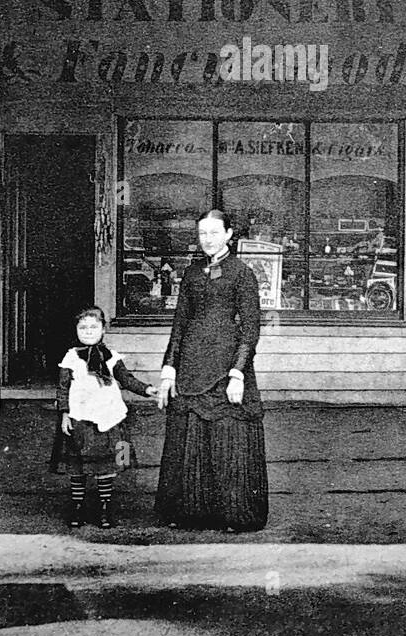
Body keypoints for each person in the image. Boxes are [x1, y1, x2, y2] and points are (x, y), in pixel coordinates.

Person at [154, 208, 269, 532]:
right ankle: (189, 512)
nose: (207, 239)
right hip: (191, 364)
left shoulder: (242, 273)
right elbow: (179, 325)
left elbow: (250, 329)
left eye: (214, 233)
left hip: (225, 365)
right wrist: (168, 370)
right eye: (203, 233)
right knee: (190, 437)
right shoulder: (191, 274)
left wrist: (238, 373)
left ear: (229, 234)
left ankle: (233, 515)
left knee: (227, 437)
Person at [50, 304, 156, 528]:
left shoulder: (111, 357)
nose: (88, 331)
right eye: (83, 327)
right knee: (78, 466)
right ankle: (77, 507)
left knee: (108, 466)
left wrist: (147, 389)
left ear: (103, 330)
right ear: (76, 330)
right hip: (81, 418)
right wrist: (65, 414)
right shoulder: (71, 358)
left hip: (109, 417)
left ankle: (105, 507)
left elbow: (126, 380)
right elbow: (63, 388)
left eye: (93, 327)